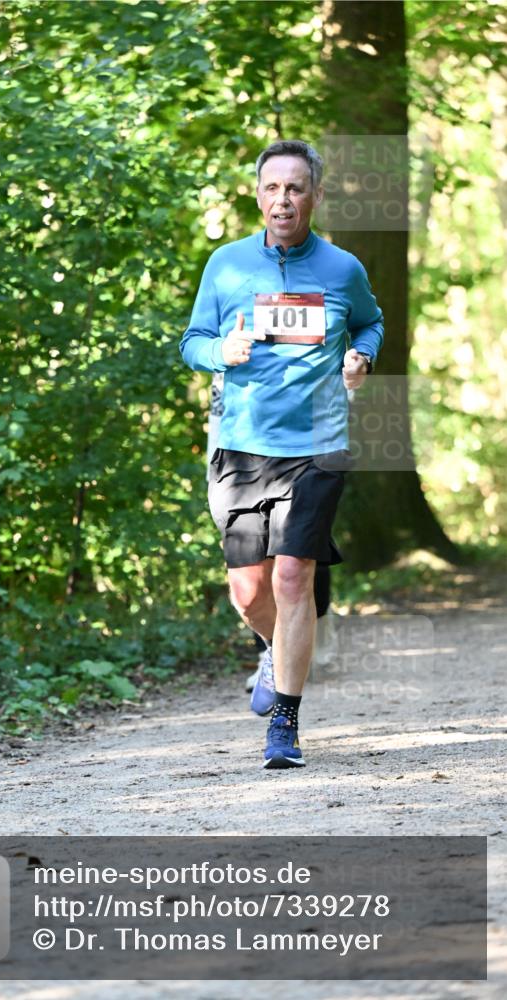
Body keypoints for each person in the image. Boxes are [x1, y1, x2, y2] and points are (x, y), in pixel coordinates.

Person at [181, 139, 383, 769]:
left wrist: (362, 356)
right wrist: (222, 353)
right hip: (239, 444)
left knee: (294, 574)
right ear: (258, 195)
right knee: (248, 591)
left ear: (315, 197)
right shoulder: (227, 265)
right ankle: (276, 646)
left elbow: (370, 323)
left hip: (318, 445)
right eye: (273, 188)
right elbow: (193, 340)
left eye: (296, 188)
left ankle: (285, 727)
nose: (284, 199)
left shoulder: (343, 269)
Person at [207, 370, 335, 694]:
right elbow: (218, 411)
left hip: (310, 450)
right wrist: (214, 470)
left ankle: (317, 630)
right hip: (241, 460)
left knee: (302, 554)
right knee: (254, 567)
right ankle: (271, 652)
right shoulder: (228, 345)